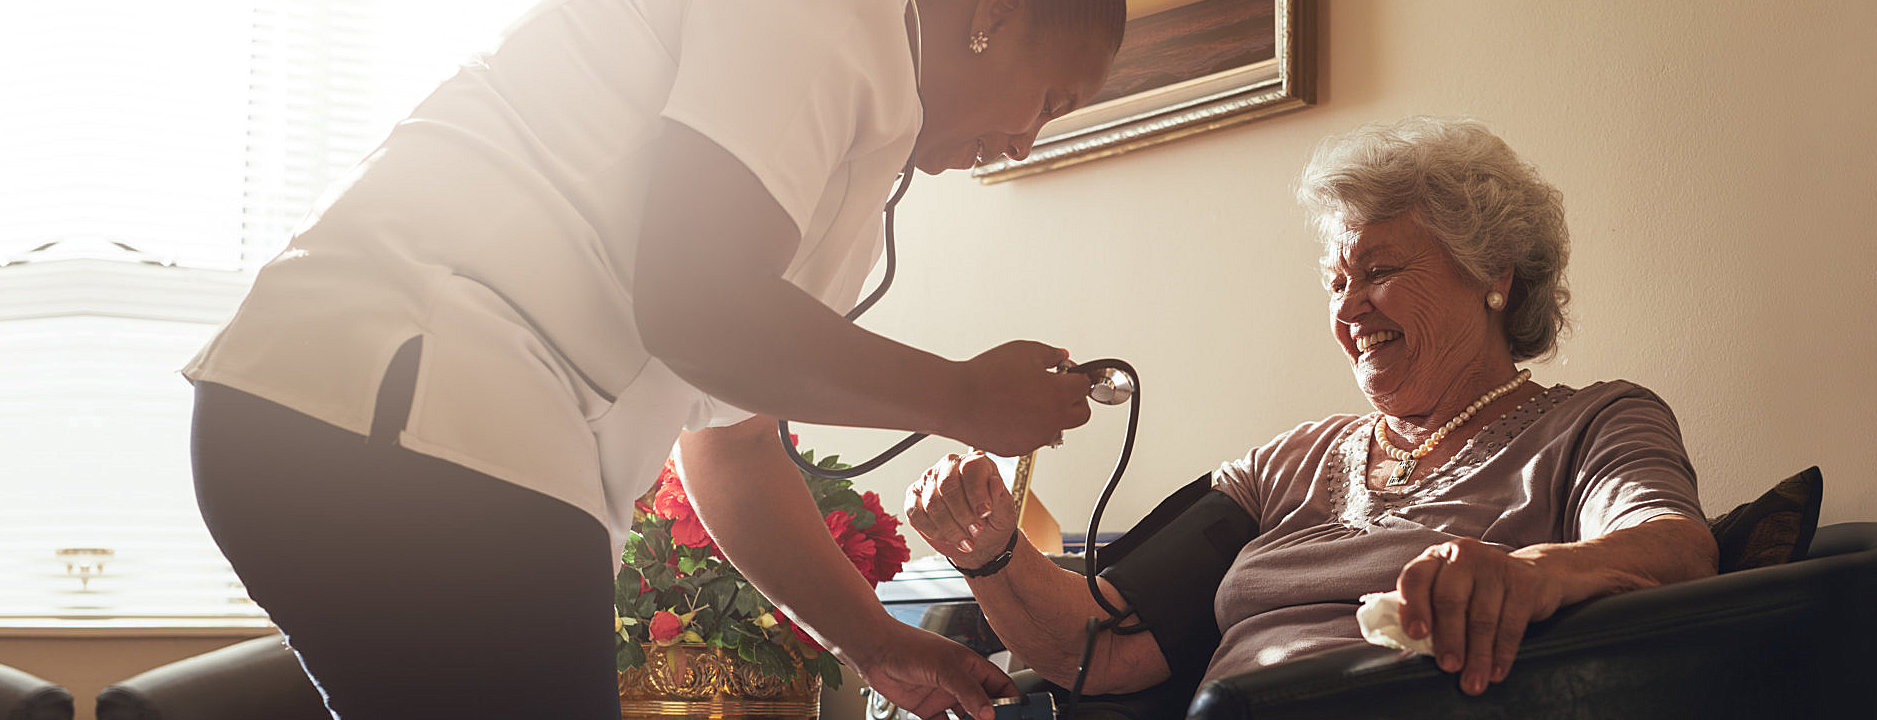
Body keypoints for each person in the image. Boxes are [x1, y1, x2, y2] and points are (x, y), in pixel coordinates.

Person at [185, 1, 1125, 718]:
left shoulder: (851, 130)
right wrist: (959, 395)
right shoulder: (833, 18)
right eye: (1049, 101)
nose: (1022, 144)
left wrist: (879, 644)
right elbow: (697, 304)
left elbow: (733, 446)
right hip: (408, 397)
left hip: (345, 414)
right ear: (992, 20)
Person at [903, 117, 1720, 703]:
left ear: (1493, 276)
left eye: (1379, 270)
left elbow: (1677, 548)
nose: (1351, 307)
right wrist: (989, 554)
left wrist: (1525, 572)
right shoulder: (1283, 466)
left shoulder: (1595, 424)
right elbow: (1101, 647)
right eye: (1336, 283)